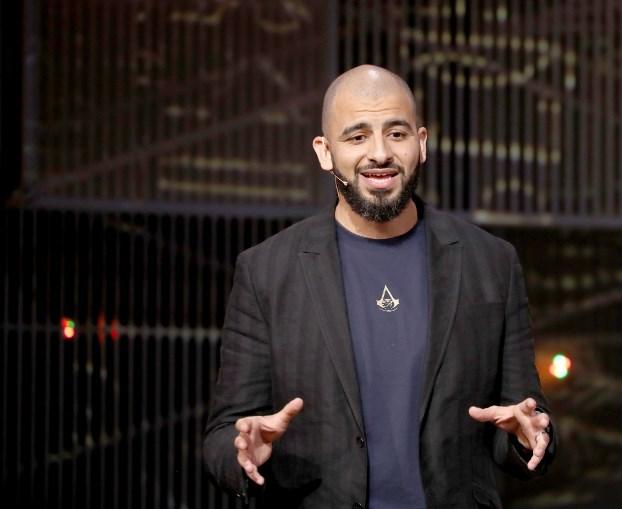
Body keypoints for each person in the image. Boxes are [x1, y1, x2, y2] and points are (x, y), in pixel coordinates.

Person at [203, 64, 555, 508]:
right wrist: (243, 457)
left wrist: (531, 437)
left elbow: (525, 420)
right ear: (325, 151)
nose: (379, 153)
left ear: (421, 143)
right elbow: (222, 436)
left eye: (396, 133)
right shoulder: (266, 271)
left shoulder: (492, 263)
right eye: (357, 137)